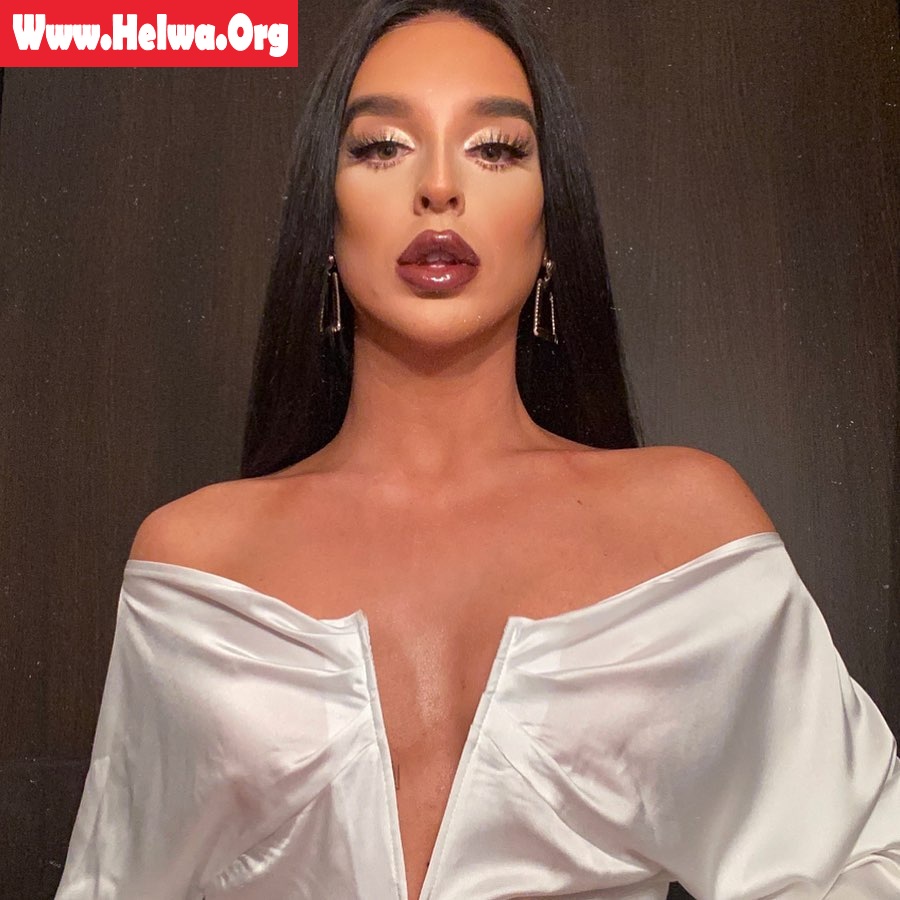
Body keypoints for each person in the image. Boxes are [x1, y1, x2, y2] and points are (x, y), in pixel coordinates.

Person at [56, 1, 900, 898]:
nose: (439, 188)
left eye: (495, 149)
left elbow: (868, 854)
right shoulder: (197, 561)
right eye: (382, 147)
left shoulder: (685, 525)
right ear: (324, 220)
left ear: (549, 221)